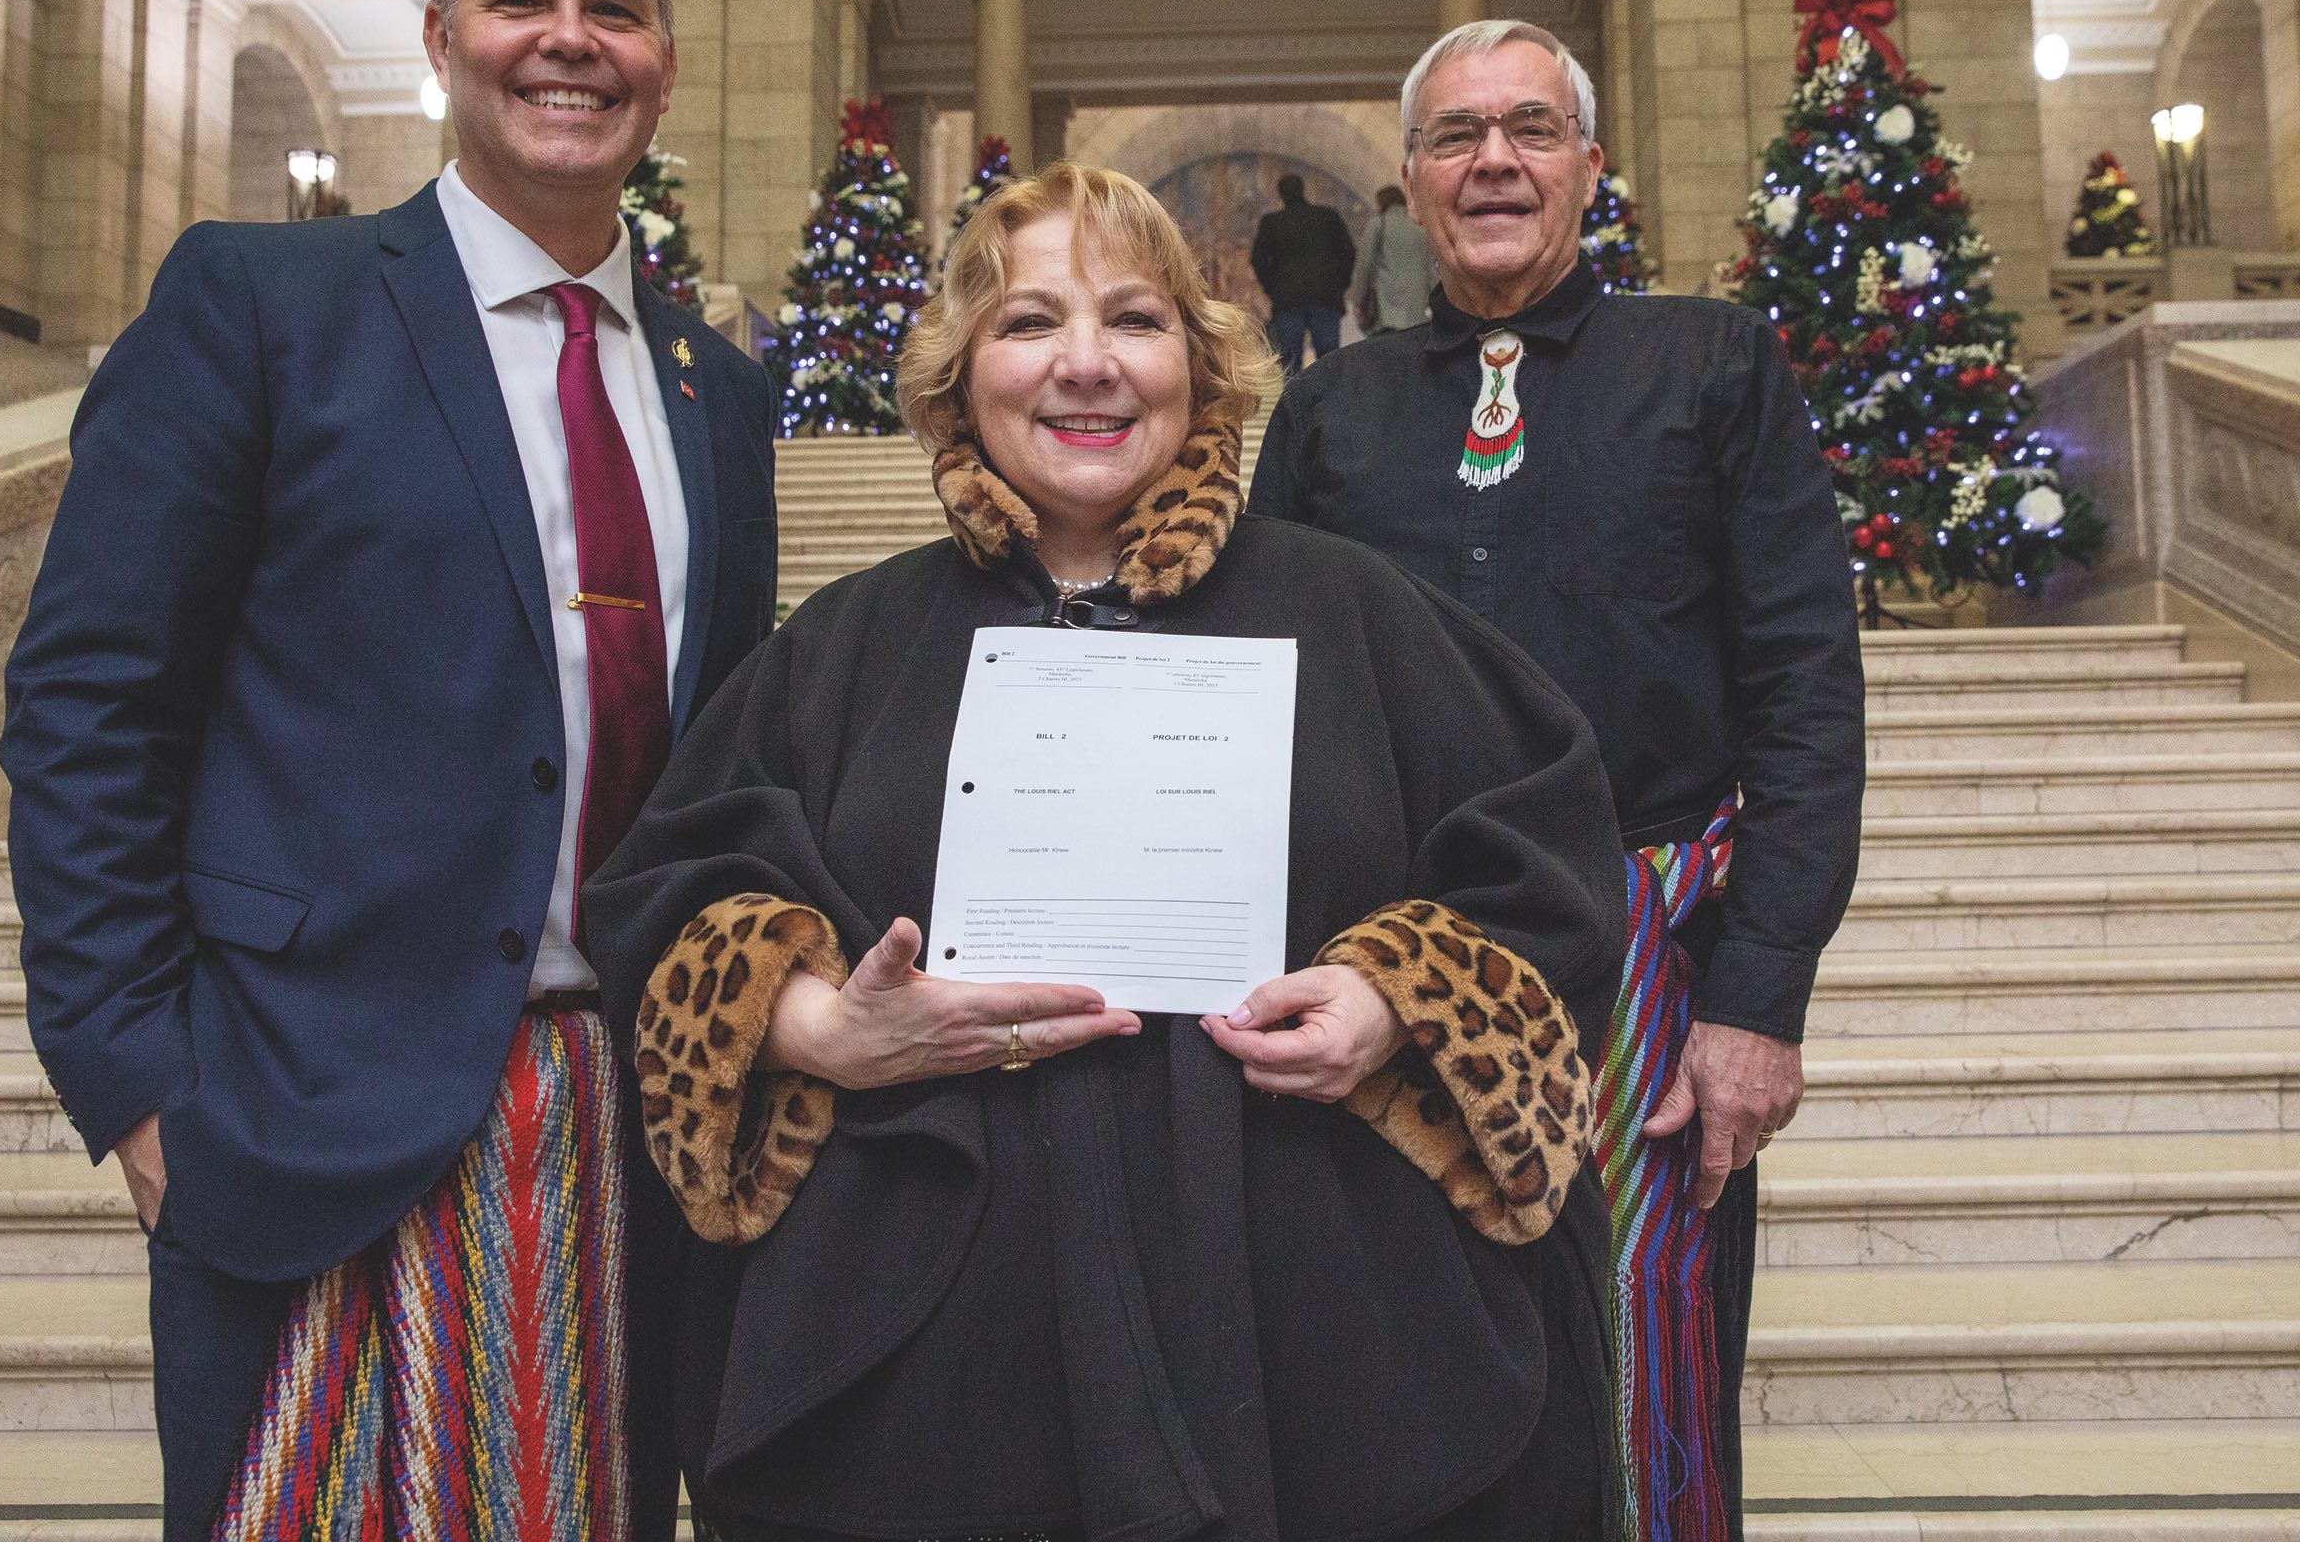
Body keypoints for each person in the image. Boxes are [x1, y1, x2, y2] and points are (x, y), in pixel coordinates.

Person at [584, 162, 1628, 1542]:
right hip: (925, 1387)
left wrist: (1393, 1001)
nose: (1086, 366)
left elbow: (1546, 859)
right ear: (961, 380)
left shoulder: (1361, 613)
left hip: (1321, 1358)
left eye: (1134, 321)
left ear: (1201, 369)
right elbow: (669, 893)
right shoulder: (845, 645)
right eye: (1029, 325)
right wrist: (816, 1022)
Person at [0, 0, 778, 1542]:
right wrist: (134, 1081)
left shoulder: (721, 391)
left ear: (666, 57)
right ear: (441, 36)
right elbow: (87, 703)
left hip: (623, 1132)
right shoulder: (264, 307)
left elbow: (731, 766)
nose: (568, 39)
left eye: (613, 7)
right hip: (307, 1108)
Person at [1249, 20, 1867, 1541]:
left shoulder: (1714, 362)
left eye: (1531, 128)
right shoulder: (1334, 408)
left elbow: (1804, 690)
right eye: (1458, 137)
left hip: (1649, 944)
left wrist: (1758, 1001)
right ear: (1411, 179)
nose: (1496, 162)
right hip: (1381, 950)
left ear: (1590, 164)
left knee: (1646, 1336)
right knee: (1394, 1346)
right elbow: (1254, 684)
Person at [1247, 170, 1356, 368]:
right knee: (1329, 360)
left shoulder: (1272, 222)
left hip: (1287, 297)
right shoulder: (1327, 217)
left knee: (1289, 362)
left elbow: (1258, 258)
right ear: (1303, 190)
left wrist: (1271, 286)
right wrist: (1341, 283)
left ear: (1280, 195)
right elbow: (1348, 252)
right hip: (1325, 294)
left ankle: (1294, 399)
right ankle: (1330, 399)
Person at [1355, 181, 1435, 333]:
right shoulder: (1420, 229)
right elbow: (1431, 268)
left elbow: (1365, 265)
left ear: (1381, 203)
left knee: (1385, 350)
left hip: (1386, 306)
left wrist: (1358, 297)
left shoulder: (1378, 225)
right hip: (1416, 307)